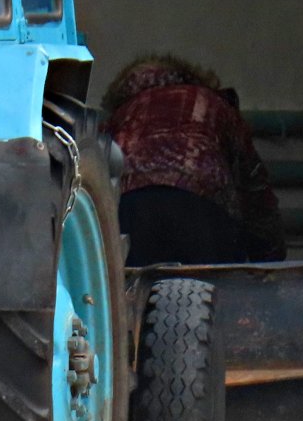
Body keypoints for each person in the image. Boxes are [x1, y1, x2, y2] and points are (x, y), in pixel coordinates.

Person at [101, 55, 286, 267]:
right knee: (206, 292)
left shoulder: (120, 116)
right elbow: (254, 190)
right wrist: (270, 258)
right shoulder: (213, 104)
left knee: (132, 292)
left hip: (130, 208)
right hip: (200, 209)